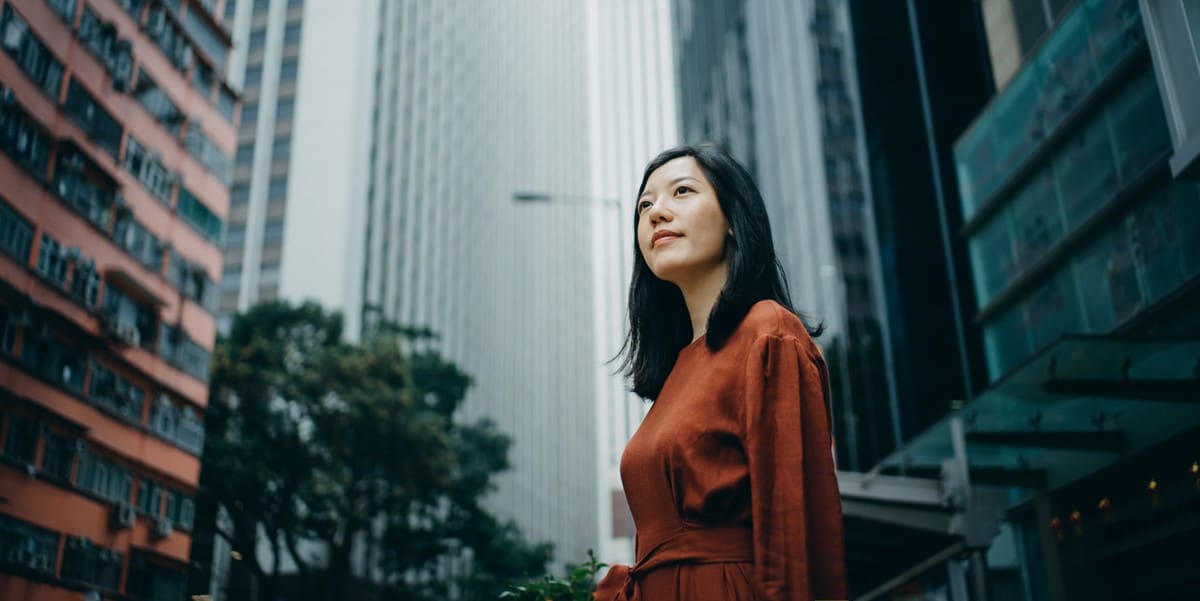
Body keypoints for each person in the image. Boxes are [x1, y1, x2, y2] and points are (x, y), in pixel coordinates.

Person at [595, 144, 847, 600]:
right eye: (644, 206)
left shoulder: (768, 333)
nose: (656, 213)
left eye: (682, 192)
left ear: (733, 219)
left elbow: (794, 529)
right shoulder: (674, 375)